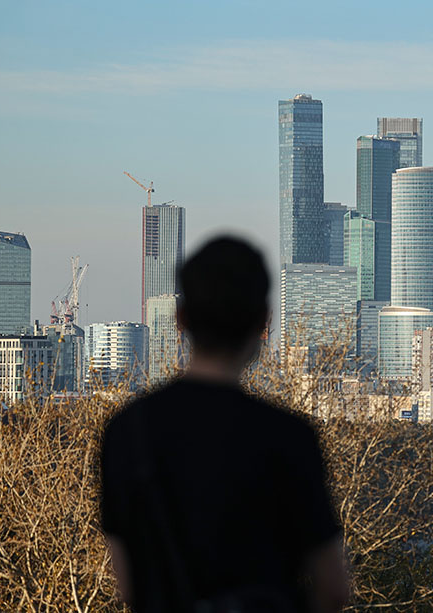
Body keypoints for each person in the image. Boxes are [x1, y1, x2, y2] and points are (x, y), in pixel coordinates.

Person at [100, 237, 349, 612]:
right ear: (264, 322)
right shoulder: (291, 436)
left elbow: (126, 583)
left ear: (181, 318)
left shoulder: (125, 431)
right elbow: (333, 589)